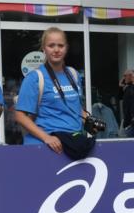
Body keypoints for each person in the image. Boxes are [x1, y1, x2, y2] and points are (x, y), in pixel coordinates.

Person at [15, 27, 92, 159]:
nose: (56, 50)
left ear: (66, 48)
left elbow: (76, 108)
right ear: (44, 49)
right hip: (46, 147)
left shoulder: (73, 74)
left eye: (60, 45)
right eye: (51, 45)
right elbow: (20, 116)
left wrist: (91, 123)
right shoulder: (34, 78)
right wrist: (46, 138)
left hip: (73, 144)